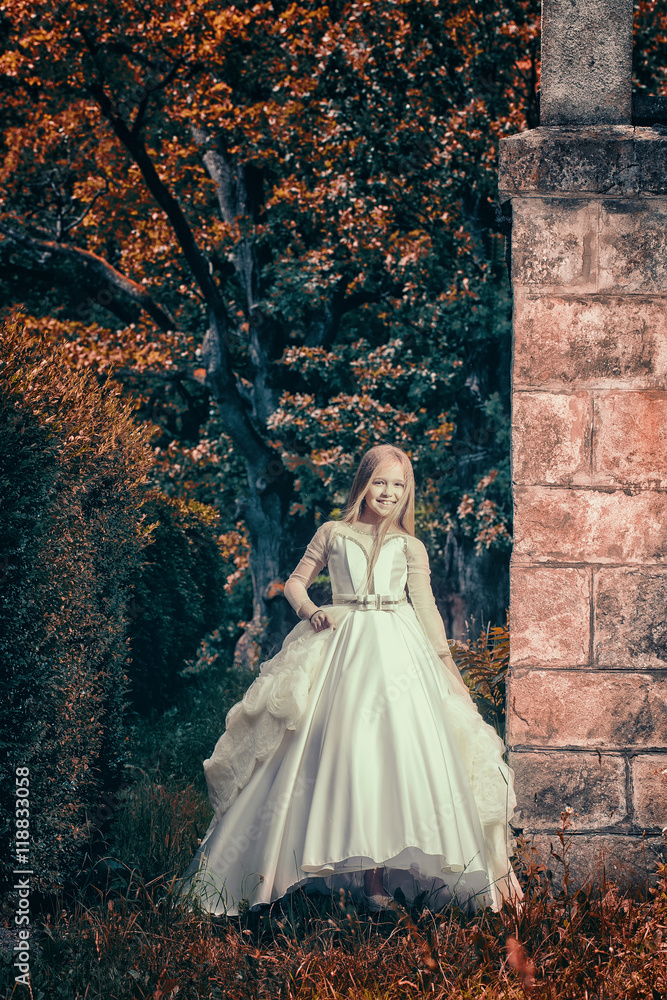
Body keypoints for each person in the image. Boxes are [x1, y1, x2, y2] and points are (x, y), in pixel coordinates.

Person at [177, 444, 521, 916]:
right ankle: (293, 865)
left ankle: (378, 878)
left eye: (399, 485)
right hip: (342, 646)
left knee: (393, 753)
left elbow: (427, 611)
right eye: (380, 482)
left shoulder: (410, 546)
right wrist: (312, 610)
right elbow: (295, 583)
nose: (389, 493)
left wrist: (449, 670)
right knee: (330, 748)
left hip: (399, 653)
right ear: (363, 483)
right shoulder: (333, 533)